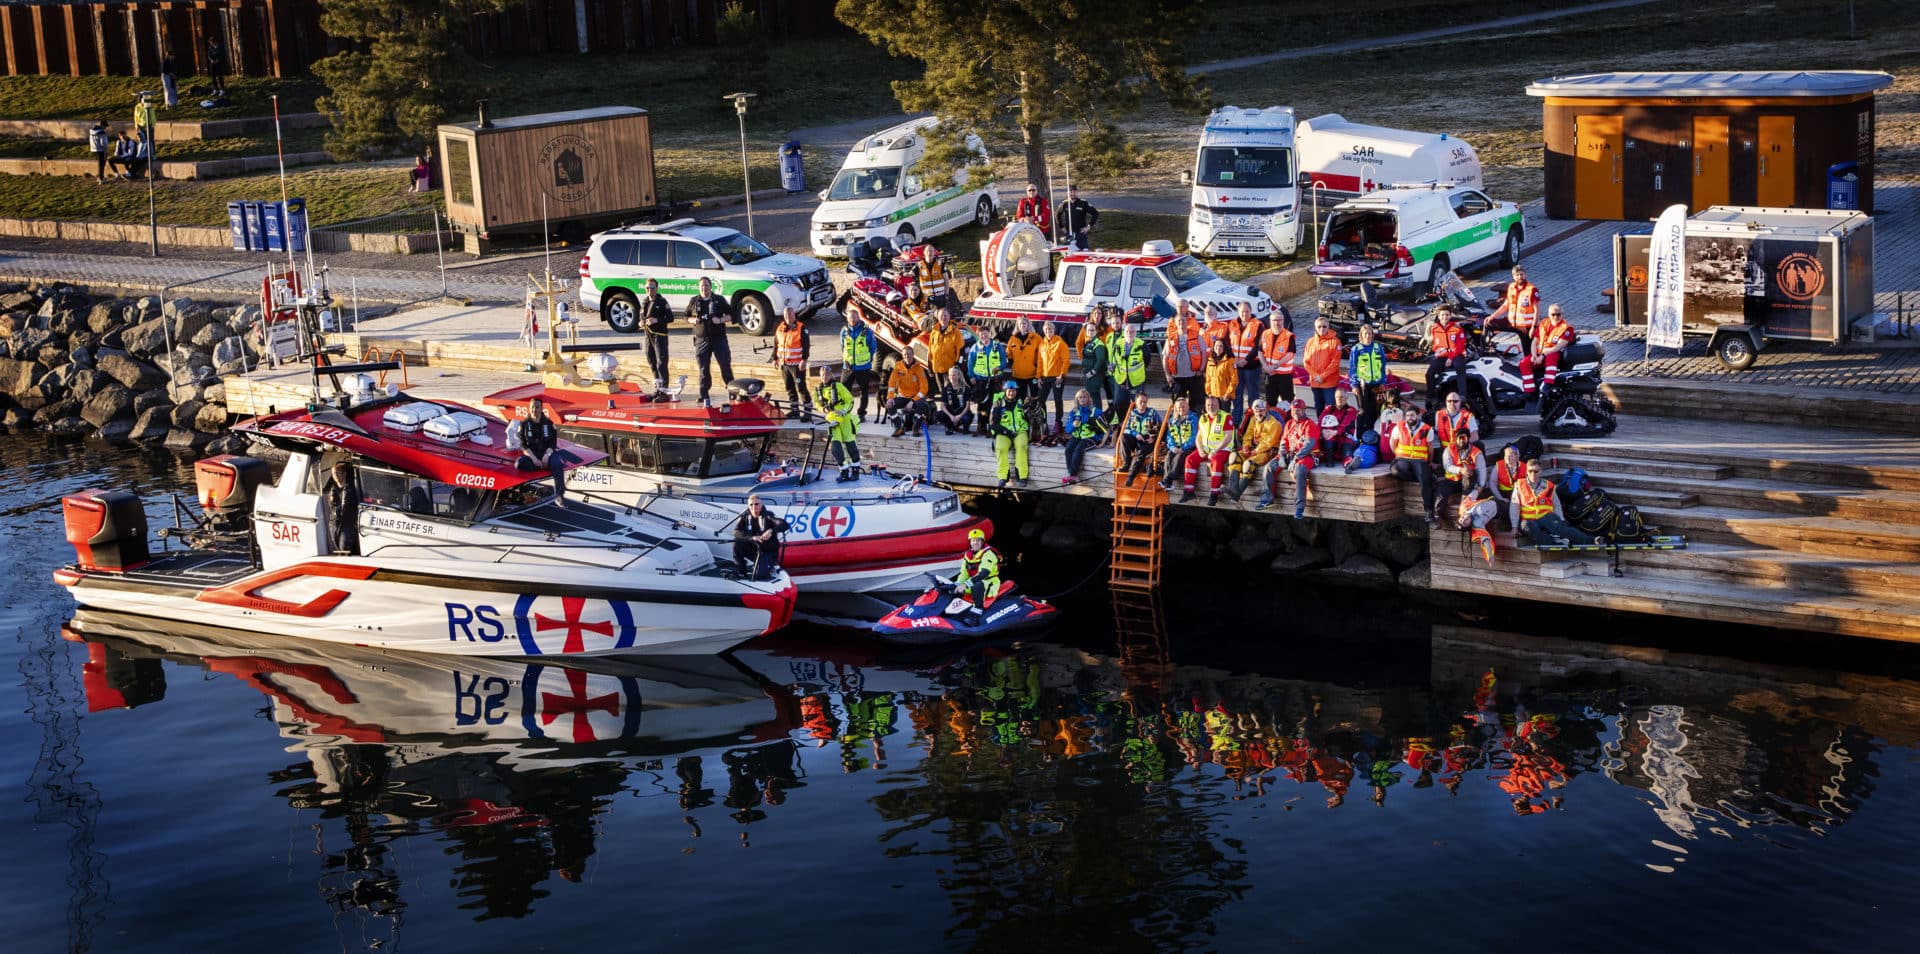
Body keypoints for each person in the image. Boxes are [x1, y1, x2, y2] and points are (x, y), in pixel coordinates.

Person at [1511, 457, 1595, 547]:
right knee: (1526, 526)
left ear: (1541, 471)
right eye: (1530, 471)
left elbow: (1556, 505)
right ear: (1526, 471)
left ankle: (1591, 540)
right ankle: (1554, 543)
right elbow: (1514, 507)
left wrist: (1561, 520)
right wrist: (1514, 527)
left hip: (1546, 517)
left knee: (1562, 529)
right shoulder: (1519, 485)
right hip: (1529, 520)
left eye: (1536, 471)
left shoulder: (1549, 486)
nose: (1533, 474)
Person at [686, 276, 734, 404]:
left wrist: (720, 320)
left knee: (725, 365)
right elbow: (686, 316)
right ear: (698, 287)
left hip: (719, 339)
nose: (704, 288)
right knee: (703, 368)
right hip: (702, 340)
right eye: (702, 286)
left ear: (710, 286)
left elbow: (731, 315)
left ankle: (732, 392)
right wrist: (693, 320)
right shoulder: (694, 301)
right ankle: (704, 394)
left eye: (706, 285)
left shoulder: (719, 300)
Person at [514, 396, 570, 504]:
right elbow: (523, 445)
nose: (534, 410)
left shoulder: (549, 423)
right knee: (519, 464)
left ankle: (560, 494)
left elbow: (552, 444)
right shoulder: (523, 424)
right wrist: (534, 458)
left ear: (541, 408)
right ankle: (531, 486)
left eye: (537, 407)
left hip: (547, 453)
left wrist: (546, 456)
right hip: (532, 455)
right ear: (529, 408)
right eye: (532, 407)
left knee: (557, 464)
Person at [1388, 406, 1438, 525]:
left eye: (1412, 415)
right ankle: (1422, 477)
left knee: (1425, 482)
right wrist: (1397, 454)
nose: (1410, 418)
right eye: (1408, 416)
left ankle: (1429, 512)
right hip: (1403, 458)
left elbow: (1430, 449)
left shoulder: (1427, 429)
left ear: (1417, 416)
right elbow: (1392, 442)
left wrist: (1430, 462)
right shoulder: (1399, 426)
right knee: (1395, 471)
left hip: (1419, 460)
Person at [1183, 395, 1235, 506]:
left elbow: (1228, 437)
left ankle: (1214, 493)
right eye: (1208, 405)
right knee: (1190, 459)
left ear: (1218, 405)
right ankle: (1189, 491)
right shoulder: (1203, 418)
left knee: (1216, 461)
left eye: (1213, 404)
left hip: (1223, 449)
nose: (1210, 407)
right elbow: (1199, 436)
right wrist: (1200, 448)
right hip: (1206, 449)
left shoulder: (1226, 417)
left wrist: (1216, 450)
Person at [1484, 265, 1541, 363]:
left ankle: (1532, 369)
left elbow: (1537, 310)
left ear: (1525, 274)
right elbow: (1506, 305)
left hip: (1525, 327)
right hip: (1511, 322)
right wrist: (1492, 316)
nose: (1520, 277)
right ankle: (1485, 351)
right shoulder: (1511, 287)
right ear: (1513, 276)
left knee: (1529, 353)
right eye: (1517, 275)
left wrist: (1533, 327)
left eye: (1522, 274)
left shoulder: (1531, 290)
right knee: (1488, 323)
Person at [816, 365, 863, 482]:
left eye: (826, 375)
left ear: (831, 375)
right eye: (822, 375)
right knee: (836, 448)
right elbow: (817, 403)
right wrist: (823, 410)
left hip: (845, 419)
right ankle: (844, 471)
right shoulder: (818, 390)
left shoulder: (839, 386)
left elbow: (850, 400)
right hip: (832, 421)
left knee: (851, 446)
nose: (824, 377)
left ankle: (856, 471)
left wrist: (843, 411)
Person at [1227, 398, 1279, 503]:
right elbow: (1248, 435)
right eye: (1256, 411)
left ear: (1266, 410)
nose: (1258, 413)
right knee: (1234, 457)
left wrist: (1255, 452)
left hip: (1267, 451)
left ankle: (1237, 492)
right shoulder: (1253, 419)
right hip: (1253, 449)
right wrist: (1246, 446)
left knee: (1248, 464)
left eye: (1261, 411)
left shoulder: (1274, 424)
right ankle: (1231, 489)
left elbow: (1268, 442)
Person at [1277, 399, 1321, 518]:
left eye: (1299, 410)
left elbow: (1308, 445)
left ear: (1304, 410)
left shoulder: (1310, 424)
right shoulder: (1289, 424)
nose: (1296, 412)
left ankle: (1300, 506)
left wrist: (1295, 459)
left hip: (1308, 456)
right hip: (1290, 455)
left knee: (1300, 471)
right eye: (1294, 410)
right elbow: (1283, 441)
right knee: (1270, 467)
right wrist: (1281, 456)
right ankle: (1266, 499)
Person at [1522, 304, 1575, 400]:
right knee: (1524, 363)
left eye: (1558, 314)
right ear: (1549, 314)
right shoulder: (1543, 323)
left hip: (1554, 352)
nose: (1556, 317)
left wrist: (1543, 355)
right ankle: (1529, 391)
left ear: (1562, 314)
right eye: (1553, 314)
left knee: (1552, 357)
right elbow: (1534, 342)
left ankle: (1548, 385)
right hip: (1539, 354)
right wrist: (1534, 356)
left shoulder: (1567, 328)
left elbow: (1560, 345)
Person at [732, 495, 790, 581]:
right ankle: (741, 571)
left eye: (756, 504)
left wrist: (771, 531)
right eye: (751, 505)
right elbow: (736, 532)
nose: (754, 507)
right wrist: (751, 538)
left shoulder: (768, 515)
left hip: (767, 552)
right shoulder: (745, 517)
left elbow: (784, 524)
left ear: (761, 505)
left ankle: (767, 566)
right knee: (737, 543)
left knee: (759, 575)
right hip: (754, 551)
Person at [964, 331, 1009, 435]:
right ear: (979, 336)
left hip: (995, 380)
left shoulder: (997, 346)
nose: (984, 336)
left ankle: (992, 428)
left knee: (994, 404)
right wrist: (971, 376)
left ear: (989, 334)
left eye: (986, 333)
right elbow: (970, 363)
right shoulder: (975, 347)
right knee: (981, 406)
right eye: (982, 334)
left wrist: (999, 367)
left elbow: (1004, 360)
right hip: (981, 380)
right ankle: (981, 427)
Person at [1425, 305, 1469, 412]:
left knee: (1460, 367)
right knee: (1429, 373)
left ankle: (1462, 395)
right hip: (1442, 356)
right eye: (1442, 315)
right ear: (1438, 316)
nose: (1445, 317)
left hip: (1456, 355)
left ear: (1450, 315)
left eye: (1447, 315)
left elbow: (1460, 346)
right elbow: (1435, 344)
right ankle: (1431, 397)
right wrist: (1437, 351)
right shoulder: (1434, 328)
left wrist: (1451, 357)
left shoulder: (1457, 328)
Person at [987, 380, 1030, 488]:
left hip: (1020, 430)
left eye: (1014, 391)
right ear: (1005, 391)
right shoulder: (998, 403)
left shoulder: (1022, 401)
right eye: (1009, 391)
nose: (1012, 393)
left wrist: (1030, 410)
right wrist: (1006, 432)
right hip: (1004, 431)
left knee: (1021, 446)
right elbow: (992, 423)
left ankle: (1021, 476)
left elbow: (1035, 416)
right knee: (1000, 448)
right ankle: (1003, 477)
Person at [1436, 431, 1486, 523]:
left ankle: (1464, 505)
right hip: (1452, 480)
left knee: (1471, 473)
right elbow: (1447, 466)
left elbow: (1481, 470)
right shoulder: (1449, 449)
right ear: (1456, 439)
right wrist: (1460, 470)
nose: (1462, 441)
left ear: (1469, 438)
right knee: (1442, 490)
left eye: (1464, 438)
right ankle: (1437, 514)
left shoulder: (1476, 453)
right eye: (1460, 438)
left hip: (1468, 482)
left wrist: (1481, 486)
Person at [1163, 303, 1207, 408]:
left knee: (1197, 404)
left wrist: (1201, 370)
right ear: (1175, 323)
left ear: (1187, 322)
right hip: (1177, 377)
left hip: (1194, 376)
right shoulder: (1171, 338)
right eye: (1179, 321)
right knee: (1178, 405)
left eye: (1183, 321)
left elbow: (1204, 353)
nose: (1181, 323)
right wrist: (1168, 375)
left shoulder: (1196, 336)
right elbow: (1165, 357)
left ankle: (1196, 422)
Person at [1060, 388, 1107, 484]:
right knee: (1068, 449)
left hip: (1091, 438)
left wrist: (1101, 440)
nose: (1082, 399)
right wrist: (1073, 425)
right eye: (1080, 397)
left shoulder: (1096, 411)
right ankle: (1072, 475)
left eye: (1084, 397)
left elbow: (1106, 427)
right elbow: (1068, 430)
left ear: (1089, 399)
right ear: (1077, 399)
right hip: (1077, 436)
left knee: (1078, 450)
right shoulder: (1074, 412)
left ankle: (1072, 475)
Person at [1117, 391, 1164, 486]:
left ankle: (1130, 476)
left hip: (1148, 440)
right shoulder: (1132, 413)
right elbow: (1126, 429)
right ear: (1136, 402)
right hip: (1136, 438)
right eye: (1140, 402)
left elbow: (1161, 427)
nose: (1143, 404)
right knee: (1123, 437)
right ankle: (1126, 463)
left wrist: (1153, 437)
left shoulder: (1152, 412)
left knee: (1139, 454)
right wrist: (1135, 434)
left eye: (1145, 402)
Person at [1348, 322, 1388, 432]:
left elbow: (1383, 366)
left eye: (1370, 333)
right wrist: (1354, 385)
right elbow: (1352, 368)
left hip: (1377, 384)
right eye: (1365, 334)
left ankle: (1373, 431)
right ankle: (1361, 434)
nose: (1368, 336)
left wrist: (1383, 382)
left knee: (1376, 409)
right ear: (1361, 335)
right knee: (1363, 410)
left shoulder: (1378, 347)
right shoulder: (1356, 349)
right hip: (1362, 385)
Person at [840, 308, 879, 420]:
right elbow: (842, 347)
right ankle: (845, 412)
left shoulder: (867, 331)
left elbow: (873, 347)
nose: (852, 319)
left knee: (864, 392)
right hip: (848, 367)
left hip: (863, 367)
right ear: (847, 318)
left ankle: (861, 413)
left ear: (858, 318)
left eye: (854, 317)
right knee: (844, 391)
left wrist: (867, 358)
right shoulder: (844, 331)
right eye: (850, 317)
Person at [1301, 316, 1344, 414]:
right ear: (1315, 328)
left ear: (1328, 327)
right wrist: (1316, 376)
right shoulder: (1310, 342)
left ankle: (1332, 427)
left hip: (1329, 382)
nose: (1322, 329)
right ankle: (1320, 426)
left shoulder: (1335, 342)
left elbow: (1335, 363)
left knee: (1330, 406)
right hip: (1315, 382)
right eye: (1319, 326)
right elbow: (1306, 362)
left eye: (1324, 326)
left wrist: (1322, 376)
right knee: (1318, 405)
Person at [884, 349, 933, 436]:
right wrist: (890, 398)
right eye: (905, 354)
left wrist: (913, 400)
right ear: (902, 355)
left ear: (913, 354)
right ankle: (899, 427)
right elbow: (892, 384)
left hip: (916, 397)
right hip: (903, 396)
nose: (907, 356)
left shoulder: (919, 368)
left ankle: (916, 427)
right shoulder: (898, 367)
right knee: (889, 405)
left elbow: (924, 388)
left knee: (921, 404)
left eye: (909, 354)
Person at [774, 306, 811, 418]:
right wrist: (774, 358)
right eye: (786, 315)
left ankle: (807, 411)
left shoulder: (801, 328)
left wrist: (804, 360)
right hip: (784, 364)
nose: (788, 317)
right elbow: (776, 344)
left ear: (794, 315)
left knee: (801, 387)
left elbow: (806, 346)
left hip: (797, 365)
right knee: (789, 387)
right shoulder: (780, 328)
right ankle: (794, 410)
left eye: (790, 315)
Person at [952, 528, 1003, 609]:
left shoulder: (988, 553)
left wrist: (966, 584)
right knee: (954, 589)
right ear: (970, 542)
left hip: (988, 583)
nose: (975, 543)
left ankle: (978, 611)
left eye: (978, 540)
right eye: (973, 540)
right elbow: (964, 574)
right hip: (973, 582)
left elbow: (984, 573)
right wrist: (958, 584)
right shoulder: (968, 555)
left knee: (977, 585)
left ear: (982, 542)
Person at [1231, 303, 1265, 421]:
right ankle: (1237, 419)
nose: (1244, 314)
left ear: (1251, 311)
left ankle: (1252, 419)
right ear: (1238, 312)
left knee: (1253, 395)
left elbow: (1258, 346)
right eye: (1242, 312)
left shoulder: (1258, 325)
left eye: (1247, 311)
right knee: (1237, 394)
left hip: (1251, 367)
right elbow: (1226, 343)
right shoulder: (1233, 324)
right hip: (1236, 367)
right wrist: (1233, 359)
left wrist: (1246, 360)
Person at [1036, 320, 1071, 429]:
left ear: (1054, 330)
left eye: (1050, 329)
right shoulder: (1042, 344)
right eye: (1046, 329)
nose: (1048, 331)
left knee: (1057, 399)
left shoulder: (1060, 343)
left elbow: (1066, 360)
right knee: (1041, 400)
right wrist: (1038, 376)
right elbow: (1039, 361)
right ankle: (1043, 421)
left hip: (1057, 377)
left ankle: (1058, 422)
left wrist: (1062, 375)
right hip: (1045, 377)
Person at [640, 277, 674, 388]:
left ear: (657, 288)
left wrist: (657, 320)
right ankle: (658, 385)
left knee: (661, 363)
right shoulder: (645, 301)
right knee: (651, 361)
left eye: (652, 288)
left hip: (660, 335)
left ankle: (664, 388)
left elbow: (670, 318)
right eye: (647, 288)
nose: (650, 290)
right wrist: (640, 323)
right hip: (648, 335)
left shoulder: (662, 301)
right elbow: (641, 318)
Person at [1109, 321, 1148, 415]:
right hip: (1120, 380)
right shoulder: (1118, 344)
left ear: (1136, 333)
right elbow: (1113, 359)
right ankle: (1120, 426)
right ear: (1124, 332)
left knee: (1138, 404)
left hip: (1136, 381)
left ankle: (1137, 423)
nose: (1129, 333)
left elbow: (1147, 360)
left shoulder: (1142, 345)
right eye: (1127, 331)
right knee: (1119, 405)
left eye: (1132, 331)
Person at [1258, 311, 1296, 407]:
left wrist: (1274, 367)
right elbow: (1260, 352)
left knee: (1287, 401)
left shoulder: (1288, 336)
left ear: (1283, 321)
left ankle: (1287, 421)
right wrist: (1266, 367)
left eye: (1279, 320)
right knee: (1270, 401)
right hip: (1269, 374)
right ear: (1270, 321)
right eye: (1274, 320)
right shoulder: (1265, 334)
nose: (1277, 323)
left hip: (1284, 375)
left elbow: (1290, 354)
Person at [1159, 396, 1197, 490]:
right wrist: (1172, 447)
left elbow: (1194, 436)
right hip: (1176, 447)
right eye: (1179, 407)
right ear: (1176, 408)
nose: (1181, 409)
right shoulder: (1172, 420)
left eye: (1183, 407)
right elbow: (1169, 436)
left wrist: (1183, 448)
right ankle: (1168, 482)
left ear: (1187, 407)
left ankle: (1168, 479)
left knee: (1179, 457)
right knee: (1168, 456)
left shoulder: (1193, 418)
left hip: (1188, 447)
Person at [1080, 310, 1113, 417]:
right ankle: (1093, 416)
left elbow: (1100, 360)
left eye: (1092, 330)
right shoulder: (1089, 342)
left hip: (1094, 375)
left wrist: (1093, 372)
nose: (1090, 332)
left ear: (1096, 331)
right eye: (1088, 330)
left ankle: (1098, 417)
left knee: (1095, 396)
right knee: (1091, 395)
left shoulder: (1098, 344)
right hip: (1088, 373)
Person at [324, 464, 360, 556]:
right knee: (338, 549)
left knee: (344, 549)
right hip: (334, 523)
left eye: (337, 473)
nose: (335, 475)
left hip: (348, 524)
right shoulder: (332, 490)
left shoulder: (352, 488)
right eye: (333, 473)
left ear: (344, 474)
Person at [1316, 390, 1360, 463]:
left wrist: (1335, 432)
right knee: (1315, 440)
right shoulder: (1329, 409)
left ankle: (1349, 464)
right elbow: (1320, 421)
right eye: (1337, 397)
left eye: (1342, 397)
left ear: (1346, 398)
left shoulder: (1351, 410)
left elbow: (1345, 424)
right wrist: (1322, 431)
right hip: (1329, 437)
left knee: (1347, 448)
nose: (1339, 399)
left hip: (1344, 437)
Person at [1006, 317, 1041, 400]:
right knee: (1021, 397)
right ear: (1017, 325)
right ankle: (1023, 412)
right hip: (1018, 374)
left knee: (1034, 396)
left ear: (1028, 325)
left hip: (1032, 373)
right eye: (1020, 324)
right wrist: (1011, 364)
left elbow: (1042, 353)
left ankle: (1034, 412)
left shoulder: (1036, 338)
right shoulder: (1013, 339)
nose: (1022, 325)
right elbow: (1009, 353)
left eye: (1024, 323)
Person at [926, 308, 966, 378]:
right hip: (936, 368)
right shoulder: (934, 331)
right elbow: (930, 349)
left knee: (949, 388)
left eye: (945, 315)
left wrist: (957, 365)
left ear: (949, 316)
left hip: (950, 369)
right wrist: (929, 366)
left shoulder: (955, 332)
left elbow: (961, 350)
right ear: (938, 317)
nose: (943, 318)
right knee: (941, 389)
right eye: (941, 316)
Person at [936, 366, 975, 435]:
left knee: (967, 417)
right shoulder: (946, 389)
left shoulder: (965, 388)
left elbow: (967, 406)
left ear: (958, 376)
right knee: (939, 415)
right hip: (951, 412)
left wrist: (960, 416)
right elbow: (943, 406)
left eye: (954, 375)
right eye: (950, 375)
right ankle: (950, 426)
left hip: (961, 412)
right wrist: (950, 416)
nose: (951, 377)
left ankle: (964, 427)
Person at [1058, 184, 1099, 250]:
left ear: (1077, 193)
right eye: (1070, 192)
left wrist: (1089, 226)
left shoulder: (1083, 203)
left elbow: (1095, 213)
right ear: (1068, 193)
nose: (1072, 193)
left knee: (1084, 253)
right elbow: (1057, 215)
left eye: (1074, 192)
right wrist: (1061, 227)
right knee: (1070, 255)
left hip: (1081, 234)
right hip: (1069, 234)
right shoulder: (1064, 204)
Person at [1203, 336, 1237, 410]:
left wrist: (1228, 394)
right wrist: (1208, 392)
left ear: (1224, 348)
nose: (1218, 348)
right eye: (1216, 346)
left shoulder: (1230, 360)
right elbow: (1208, 379)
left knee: (1224, 417)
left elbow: (1234, 379)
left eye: (1221, 346)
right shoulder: (1210, 361)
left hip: (1224, 396)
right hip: (1213, 396)